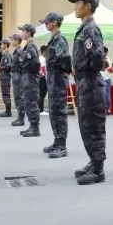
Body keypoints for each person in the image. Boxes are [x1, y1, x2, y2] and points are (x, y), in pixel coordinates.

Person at [67, 0, 107, 185]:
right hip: (84, 82)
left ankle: (98, 169)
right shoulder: (84, 29)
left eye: (78, 3)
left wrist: (86, 71)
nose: (75, 6)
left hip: (90, 82)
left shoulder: (91, 29)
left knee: (94, 126)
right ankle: (93, 161)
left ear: (88, 6)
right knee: (85, 125)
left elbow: (98, 57)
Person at [39, 13, 72, 159]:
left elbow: (65, 59)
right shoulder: (53, 39)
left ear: (54, 23)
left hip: (58, 82)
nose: (45, 24)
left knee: (59, 114)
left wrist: (60, 75)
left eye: (47, 22)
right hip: (52, 82)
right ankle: (56, 141)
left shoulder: (59, 39)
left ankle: (61, 145)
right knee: (53, 113)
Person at [18, 24, 41, 137]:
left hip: (31, 77)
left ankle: (35, 128)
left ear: (28, 33)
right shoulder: (27, 45)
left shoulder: (31, 47)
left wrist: (32, 73)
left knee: (31, 102)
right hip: (27, 76)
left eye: (23, 31)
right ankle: (32, 125)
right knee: (28, 102)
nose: (21, 34)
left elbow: (35, 63)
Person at [10, 34, 26, 127]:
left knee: (19, 97)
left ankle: (21, 118)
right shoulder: (16, 51)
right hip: (16, 75)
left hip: (19, 76)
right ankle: (20, 117)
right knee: (17, 97)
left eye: (12, 39)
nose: (11, 41)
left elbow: (22, 64)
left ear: (17, 41)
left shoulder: (19, 51)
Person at [0, 39, 12, 117]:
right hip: (3, 76)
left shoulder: (7, 55)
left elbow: (9, 66)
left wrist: (3, 69)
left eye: (2, 44)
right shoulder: (4, 54)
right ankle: (7, 110)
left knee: (6, 93)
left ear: (6, 45)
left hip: (5, 76)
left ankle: (8, 111)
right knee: (5, 93)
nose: (1, 46)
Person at [39, 45, 48, 115]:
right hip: (42, 78)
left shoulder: (40, 58)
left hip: (41, 77)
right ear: (44, 51)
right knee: (42, 94)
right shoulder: (42, 59)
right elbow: (43, 70)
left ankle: (40, 109)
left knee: (42, 94)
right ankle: (41, 110)